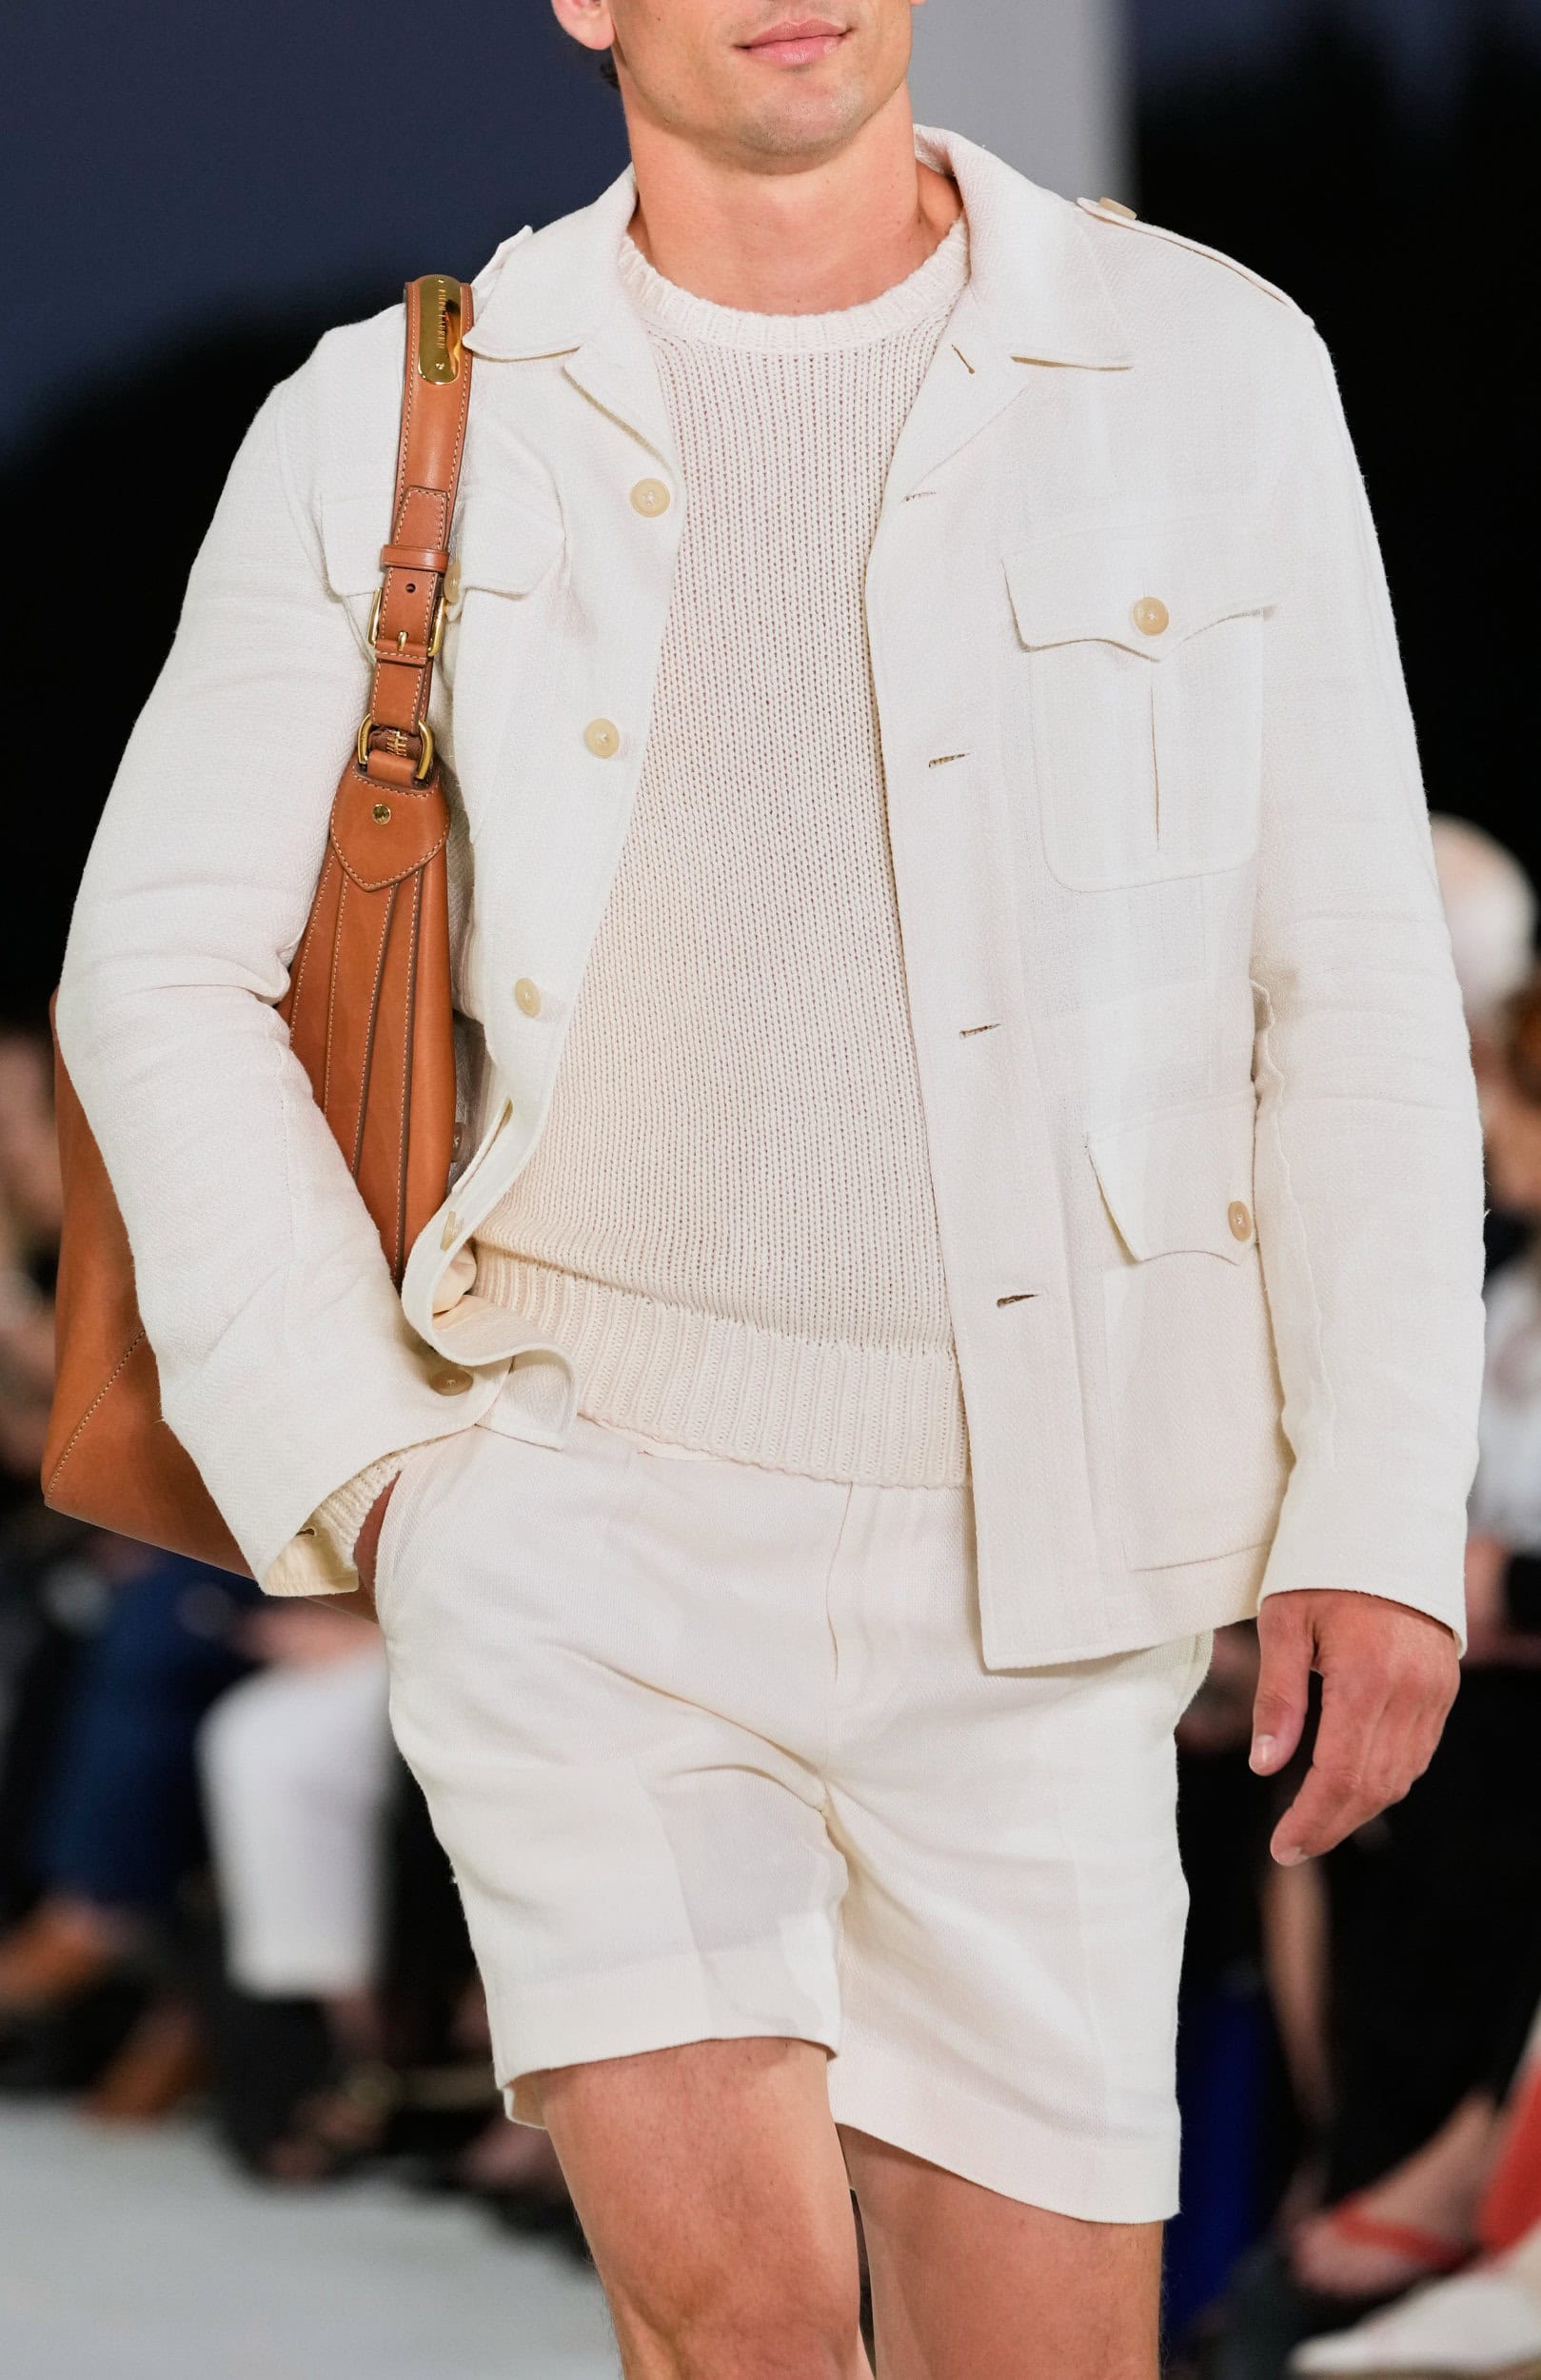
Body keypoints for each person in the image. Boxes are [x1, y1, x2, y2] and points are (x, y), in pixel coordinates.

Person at [52, 4, 1487, 2373]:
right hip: (580, 1518)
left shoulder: (1204, 364)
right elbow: (158, 964)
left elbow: (1343, 979)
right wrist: (382, 1470)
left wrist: (1375, 1498)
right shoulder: (397, 409)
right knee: (743, 2328)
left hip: (1055, 1562)